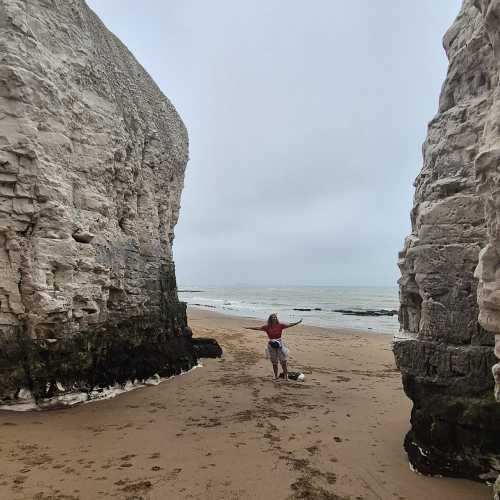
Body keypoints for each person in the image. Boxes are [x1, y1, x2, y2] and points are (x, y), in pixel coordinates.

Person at [244, 313, 302, 380]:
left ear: (276, 318)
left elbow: (289, 325)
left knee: (283, 361)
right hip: (271, 345)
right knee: (274, 362)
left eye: (275, 317)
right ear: (270, 319)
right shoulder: (267, 327)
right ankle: (275, 376)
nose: (274, 318)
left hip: (280, 344)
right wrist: (248, 327)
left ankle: (286, 376)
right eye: (272, 317)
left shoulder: (280, 325)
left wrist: (298, 322)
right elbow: (258, 328)